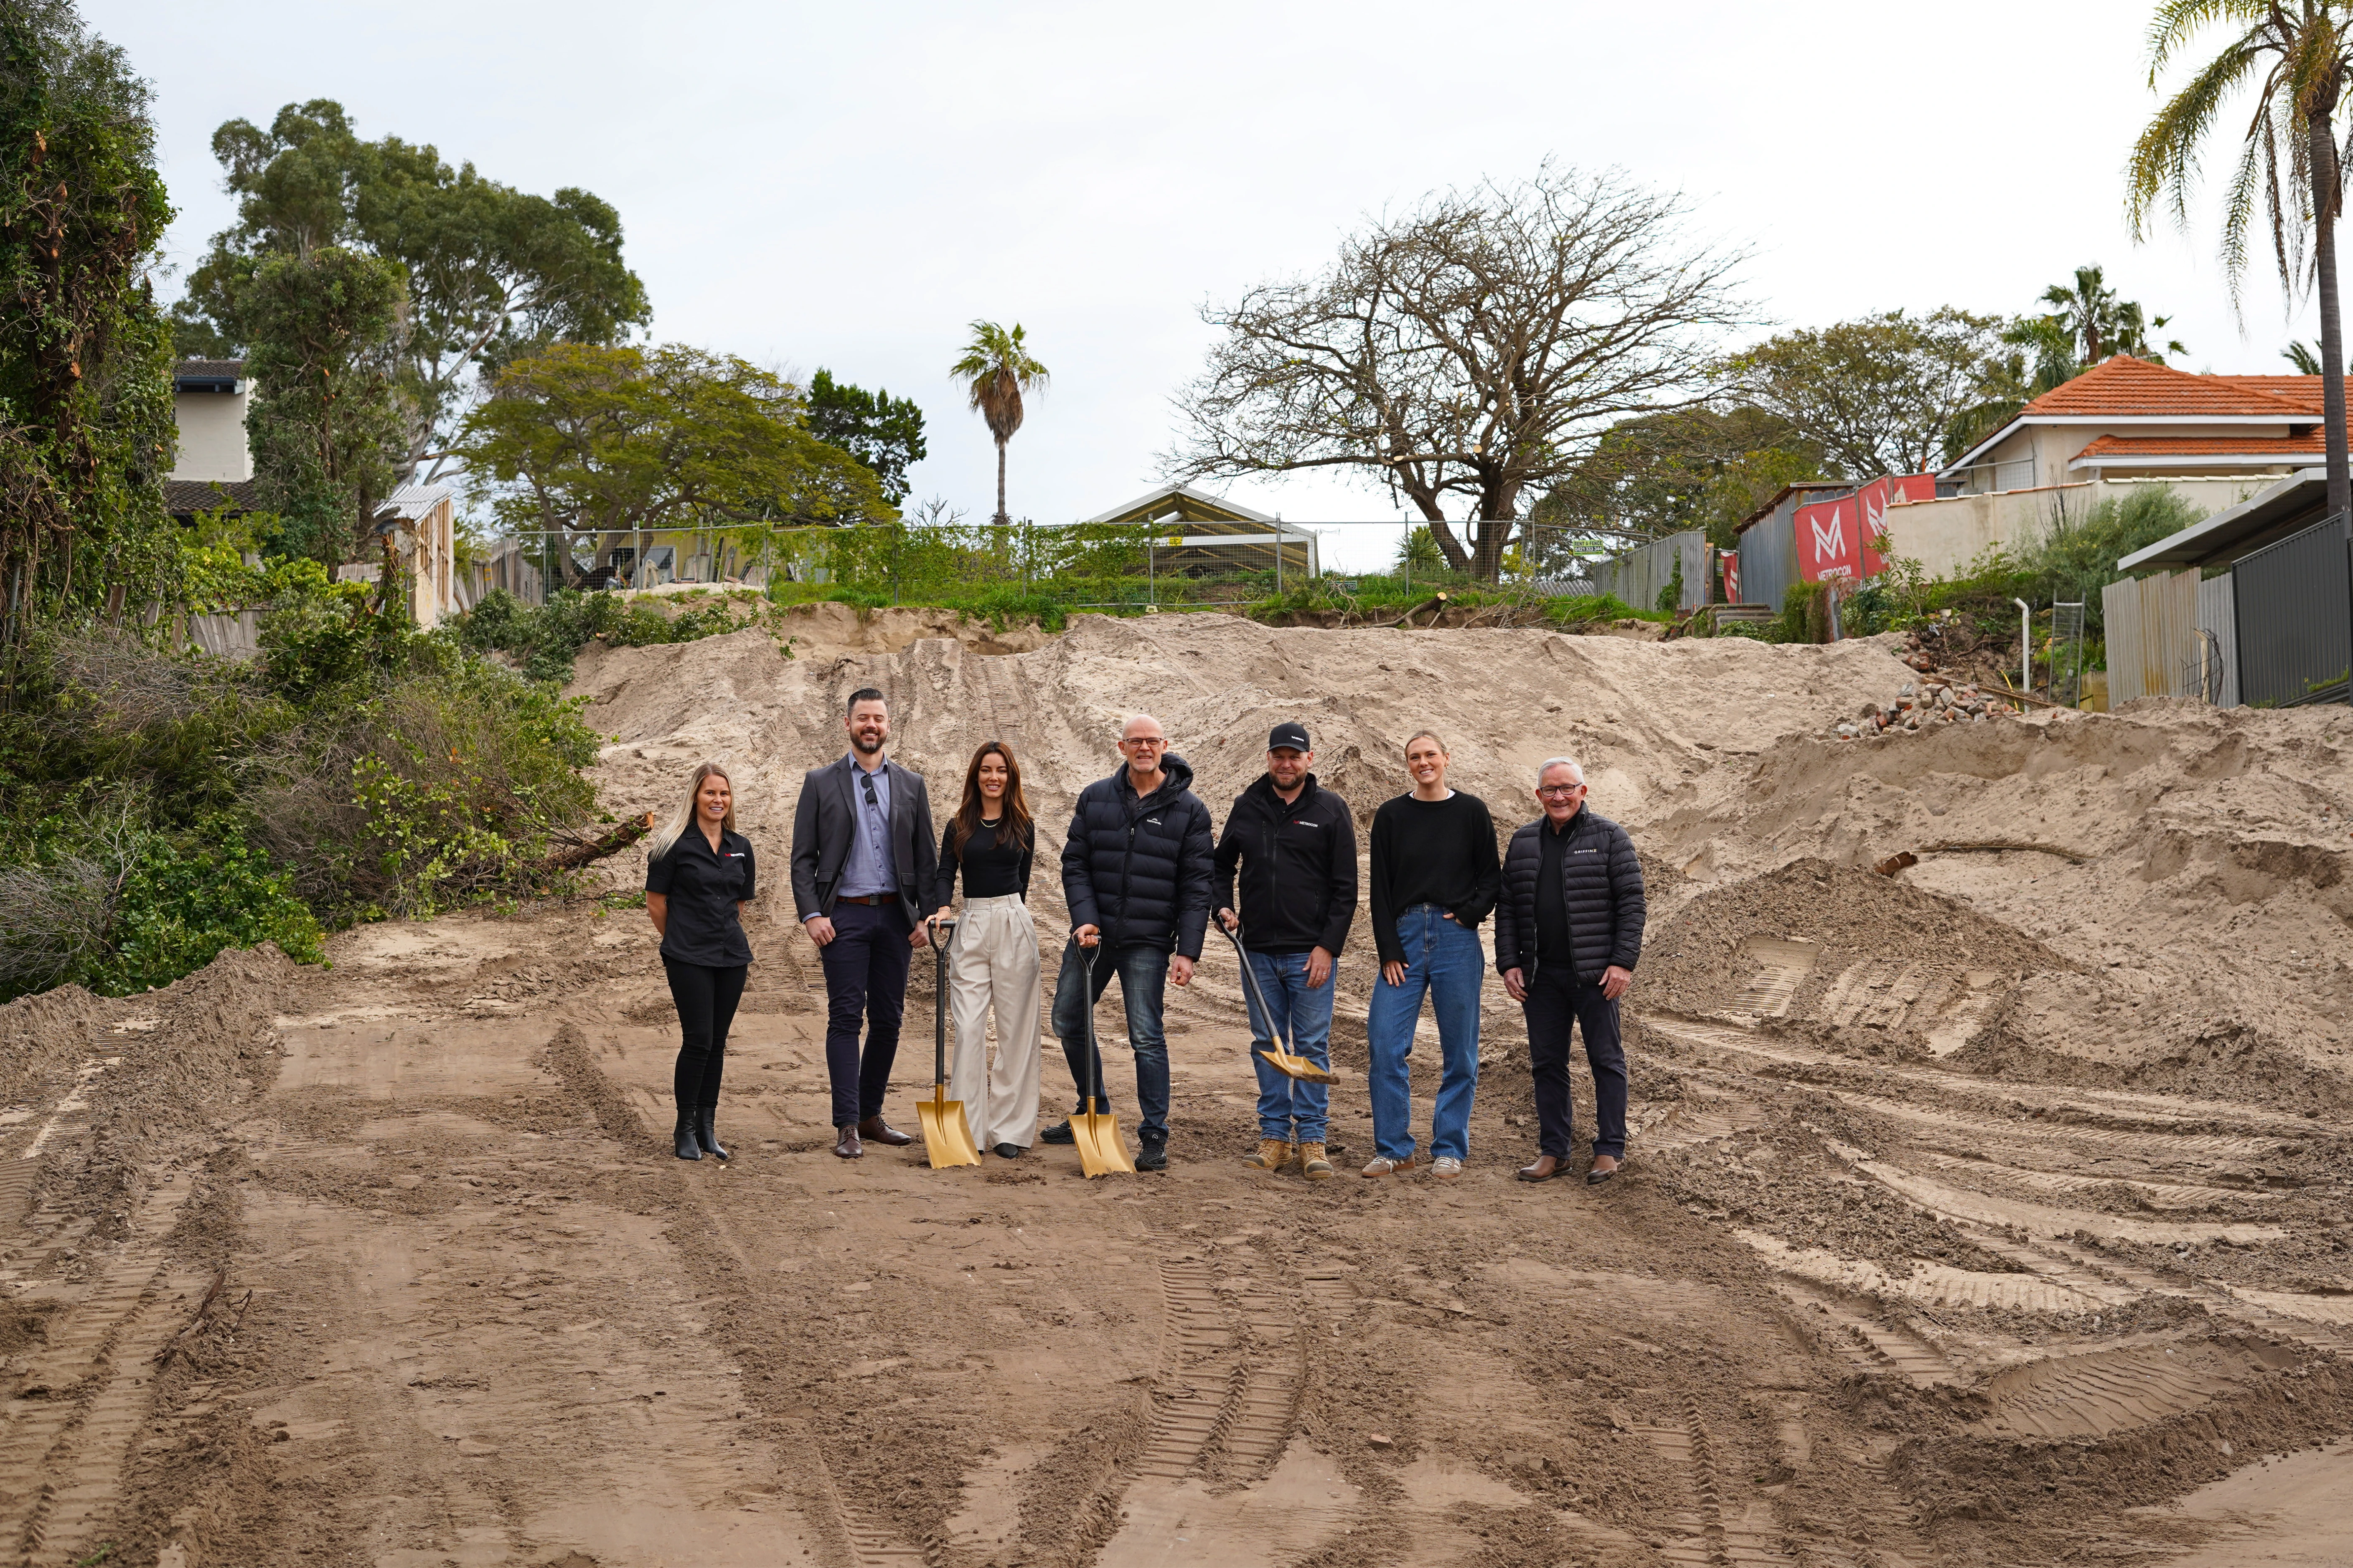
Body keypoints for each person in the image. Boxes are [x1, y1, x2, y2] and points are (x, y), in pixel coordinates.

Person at [1043, 713, 1214, 1172]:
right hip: (1093, 938)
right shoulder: (1095, 798)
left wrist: (1188, 950)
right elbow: (1074, 863)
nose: (1143, 748)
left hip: (1149, 941)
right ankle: (1092, 1106)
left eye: (1151, 741)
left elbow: (1197, 886)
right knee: (1067, 1018)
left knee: (1145, 1037)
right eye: (1134, 741)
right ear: (1121, 747)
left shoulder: (1190, 810)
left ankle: (1154, 1133)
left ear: (1164, 745)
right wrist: (1084, 920)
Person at [789, 688, 938, 1160]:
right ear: (848, 724)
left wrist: (928, 917)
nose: (870, 726)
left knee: (890, 1020)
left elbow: (926, 858)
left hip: (897, 916)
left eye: (878, 719)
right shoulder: (820, 782)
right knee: (845, 1018)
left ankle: (872, 1115)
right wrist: (812, 914)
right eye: (862, 719)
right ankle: (847, 1124)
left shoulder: (912, 784)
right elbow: (802, 858)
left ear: (888, 726)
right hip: (844, 916)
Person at [1213, 721, 1357, 1182]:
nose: (1286, 763)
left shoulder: (1331, 809)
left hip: (1309, 955)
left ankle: (1312, 1139)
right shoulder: (1247, 805)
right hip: (1256, 951)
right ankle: (1274, 1137)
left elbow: (1345, 889)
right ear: (1269, 759)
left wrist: (1327, 947)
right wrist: (1224, 906)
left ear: (1309, 759)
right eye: (1279, 755)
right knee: (1267, 1046)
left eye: (1295, 756)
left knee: (1311, 1046)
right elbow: (1220, 867)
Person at [1494, 756, 1646, 1186]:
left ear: (1583, 791)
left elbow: (1632, 903)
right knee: (1547, 1064)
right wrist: (1509, 963)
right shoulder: (1523, 841)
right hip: (1541, 978)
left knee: (1606, 1061)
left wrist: (1621, 962)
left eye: (1566, 788)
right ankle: (1554, 1150)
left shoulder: (1610, 837)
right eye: (1550, 789)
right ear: (1538, 794)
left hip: (1595, 977)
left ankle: (1608, 1150)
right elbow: (1507, 908)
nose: (1558, 796)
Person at [1362, 731, 1499, 1182]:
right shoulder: (1391, 815)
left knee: (1459, 1050)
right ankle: (1394, 1149)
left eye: (1430, 755)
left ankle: (1449, 1148)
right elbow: (1379, 889)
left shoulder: (1472, 812)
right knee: (1385, 1043)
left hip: (1455, 940)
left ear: (1446, 758)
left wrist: (1468, 916)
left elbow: (1490, 879)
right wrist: (1387, 948)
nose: (1423, 763)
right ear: (1407, 764)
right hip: (1403, 934)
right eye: (1414, 757)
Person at [929, 741, 1043, 1159]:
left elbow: (1023, 880)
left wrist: (1013, 919)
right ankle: (967, 1130)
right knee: (970, 1029)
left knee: (1016, 1031)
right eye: (986, 770)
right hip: (970, 922)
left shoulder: (1023, 824)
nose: (993, 777)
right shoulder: (958, 823)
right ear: (975, 776)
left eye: (1001, 770)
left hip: (1014, 920)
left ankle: (1009, 1129)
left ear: (1010, 776)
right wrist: (942, 907)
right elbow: (945, 872)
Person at [645, 761, 756, 1163]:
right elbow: (656, 904)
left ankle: (708, 1129)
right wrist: (679, 940)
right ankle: (684, 1129)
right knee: (698, 1041)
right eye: (711, 793)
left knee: (719, 1043)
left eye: (724, 794)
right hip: (687, 956)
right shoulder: (671, 846)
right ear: (695, 795)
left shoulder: (740, 845)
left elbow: (739, 904)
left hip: (731, 956)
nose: (718, 800)